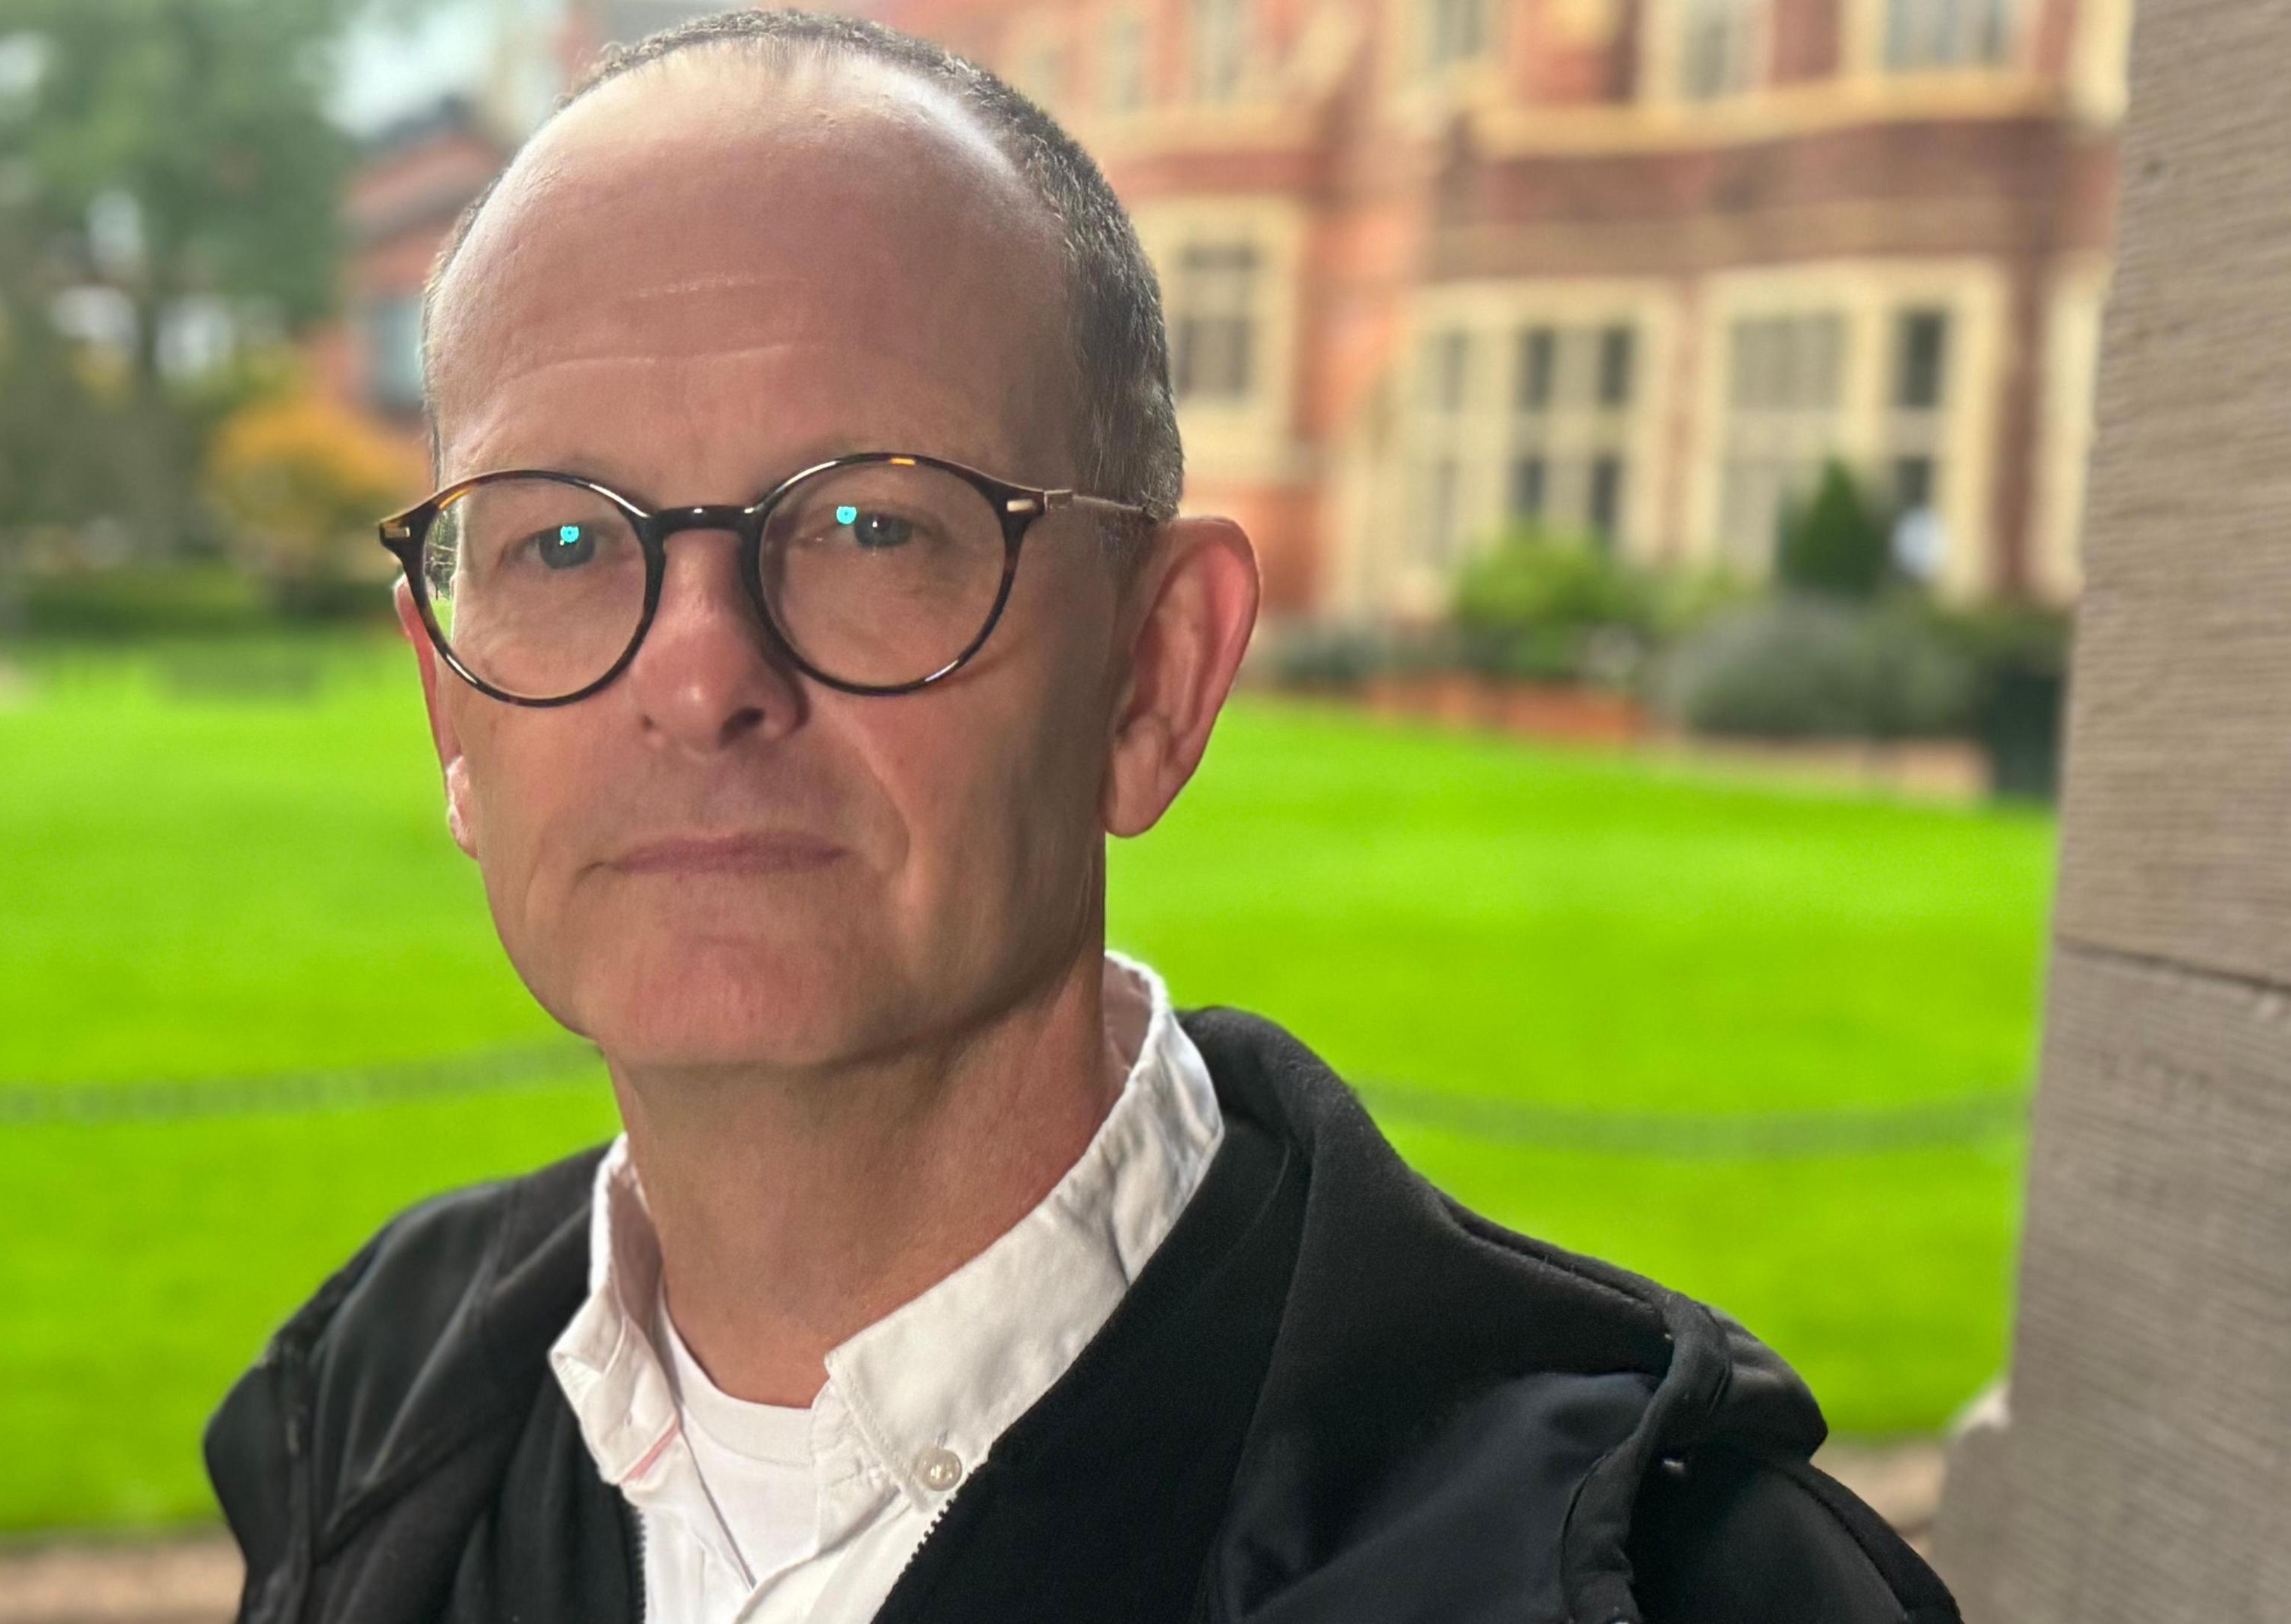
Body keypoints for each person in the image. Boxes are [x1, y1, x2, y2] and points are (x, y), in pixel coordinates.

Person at [204, 13, 1959, 1622]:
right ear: (450, 704)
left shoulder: (1655, 1584)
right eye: (562, 543)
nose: (698, 675)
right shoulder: (373, 1410)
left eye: (873, 526)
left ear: (1155, 675)